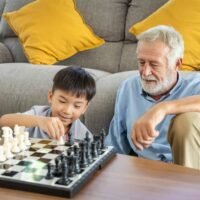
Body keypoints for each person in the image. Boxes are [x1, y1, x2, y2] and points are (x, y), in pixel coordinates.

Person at [105, 25, 200, 169]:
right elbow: (115, 146)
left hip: (188, 171)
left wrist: (162, 108)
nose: (145, 72)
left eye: (154, 64)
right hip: (145, 172)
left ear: (177, 64)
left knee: (186, 120)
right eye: (141, 62)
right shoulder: (128, 88)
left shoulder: (195, 84)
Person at [0, 66, 96, 141]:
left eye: (77, 106)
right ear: (51, 96)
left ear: (84, 108)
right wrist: (39, 121)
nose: (67, 111)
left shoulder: (83, 134)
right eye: (62, 101)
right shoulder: (38, 114)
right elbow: (3, 121)